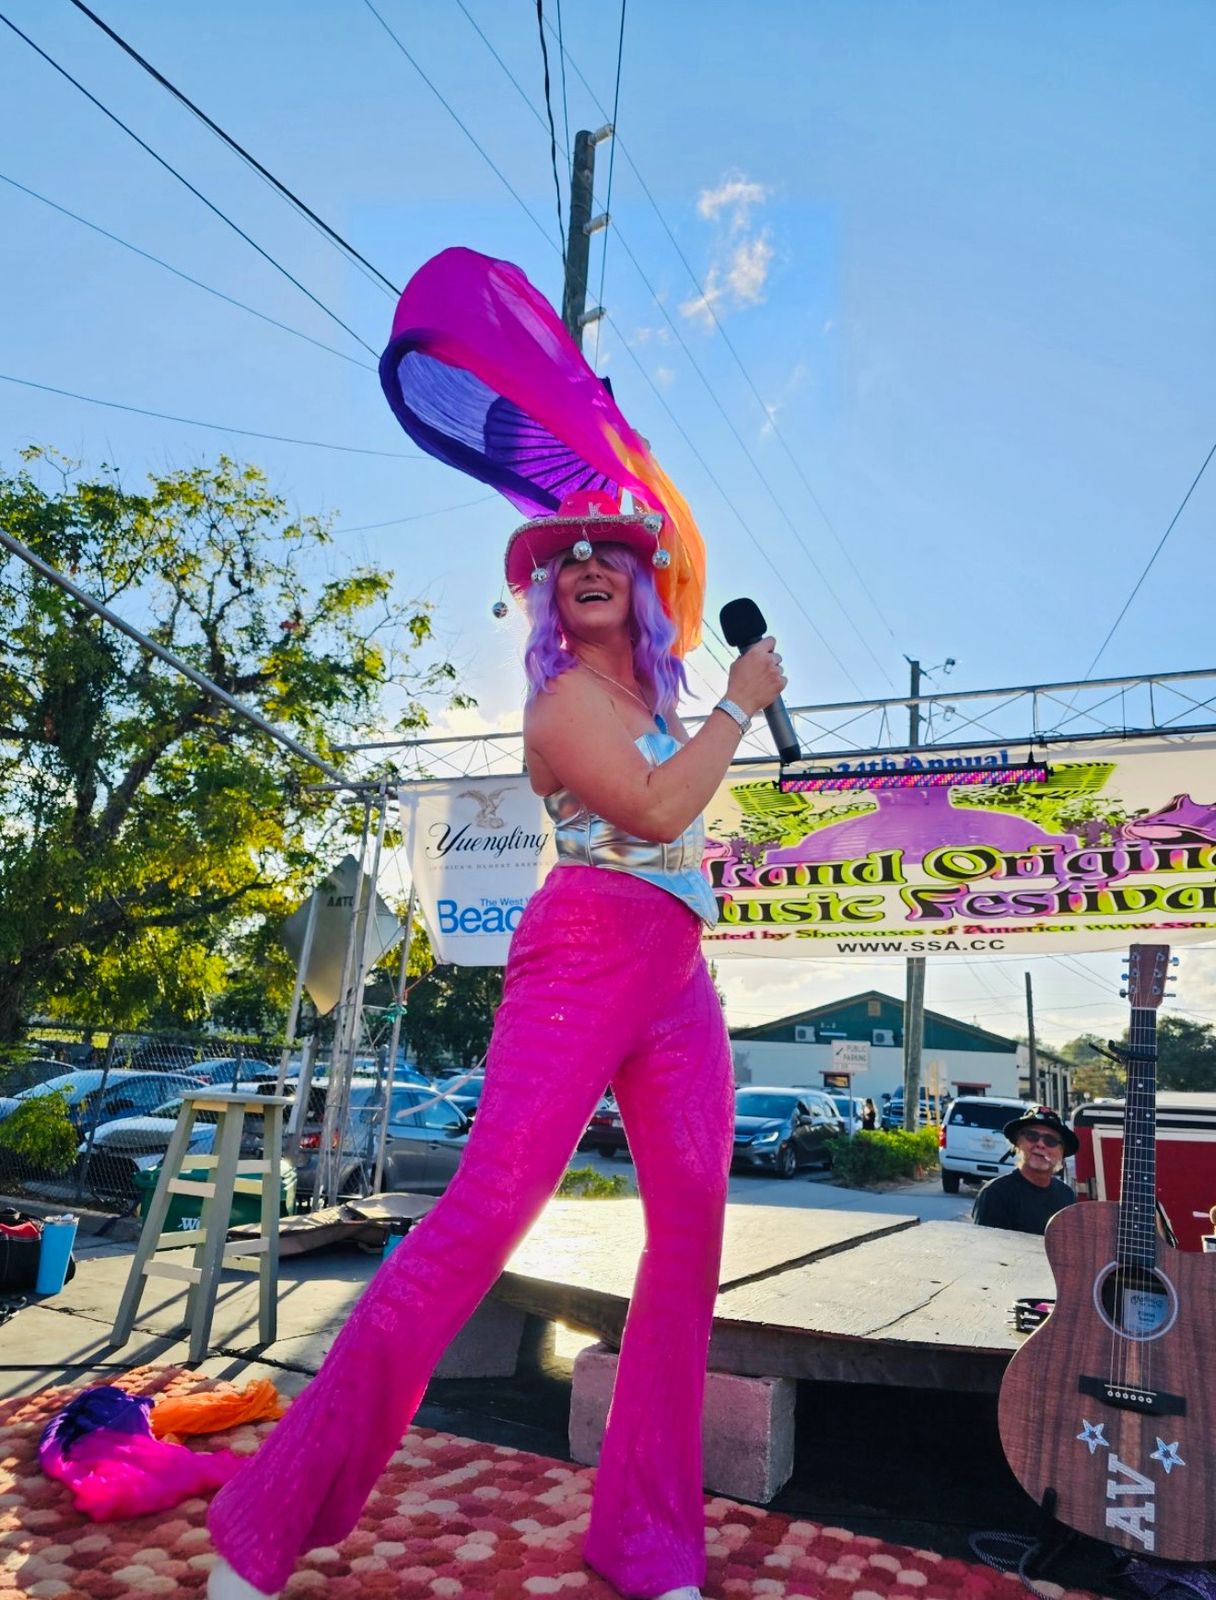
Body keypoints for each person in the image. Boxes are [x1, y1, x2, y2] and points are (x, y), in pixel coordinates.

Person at [206, 488, 787, 1600]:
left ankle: (649, 1541)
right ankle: (262, 1524)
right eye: (565, 558)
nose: (586, 563)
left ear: (642, 581)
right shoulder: (562, 698)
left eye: (608, 551)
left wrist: (714, 713)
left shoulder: (653, 701)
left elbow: (675, 832)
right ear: (547, 598)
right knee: (482, 1217)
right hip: (582, 952)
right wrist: (740, 705)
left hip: (677, 972)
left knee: (690, 1238)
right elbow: (655, 812)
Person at [972, 1107, 1078, 1236]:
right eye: (1032, 1136)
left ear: (1061, 1153)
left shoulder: (1067, 1195)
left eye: (1051, 1141)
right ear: (1017, 1143)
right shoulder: (995, 1193)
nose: (1040, 1144)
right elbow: (986, 1246)